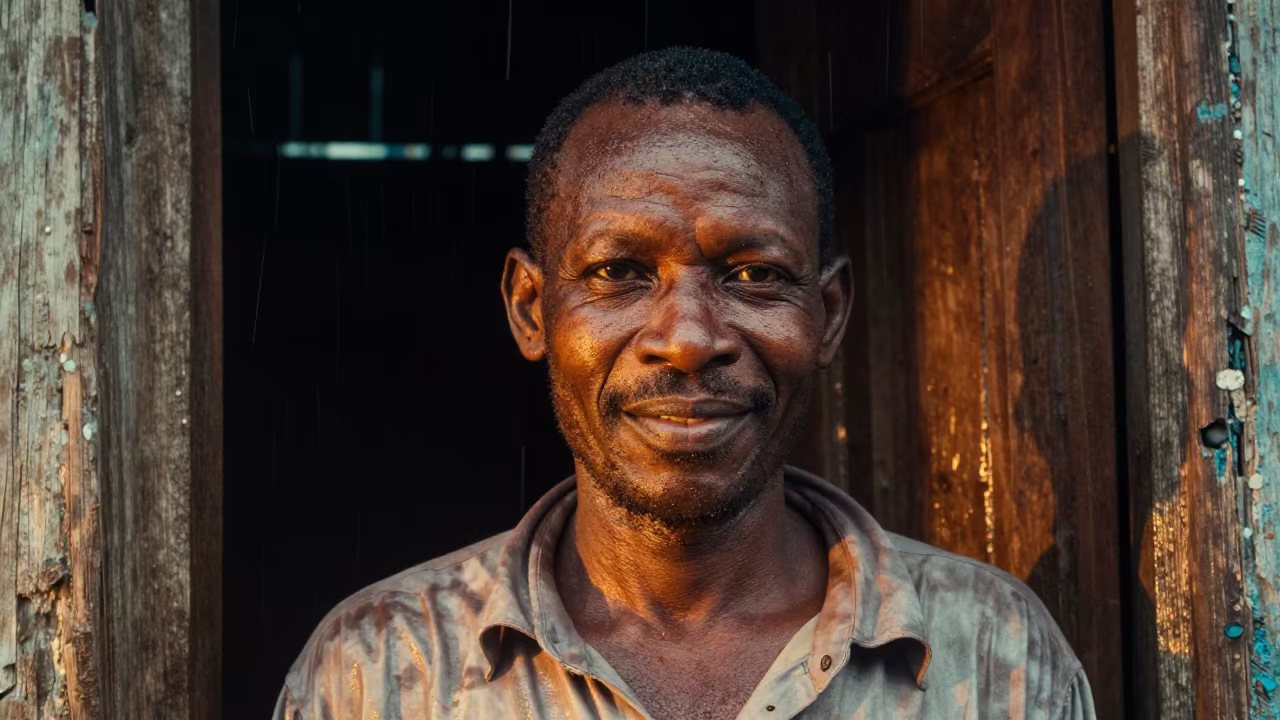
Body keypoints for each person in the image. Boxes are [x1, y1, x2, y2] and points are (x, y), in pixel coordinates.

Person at [273, 47, 1095, 720]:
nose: (689, 338)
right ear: (531, 311)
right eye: (620, 271)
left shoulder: (996, 659)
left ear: (830, 313)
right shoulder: (378, 672)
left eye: (753, 273)